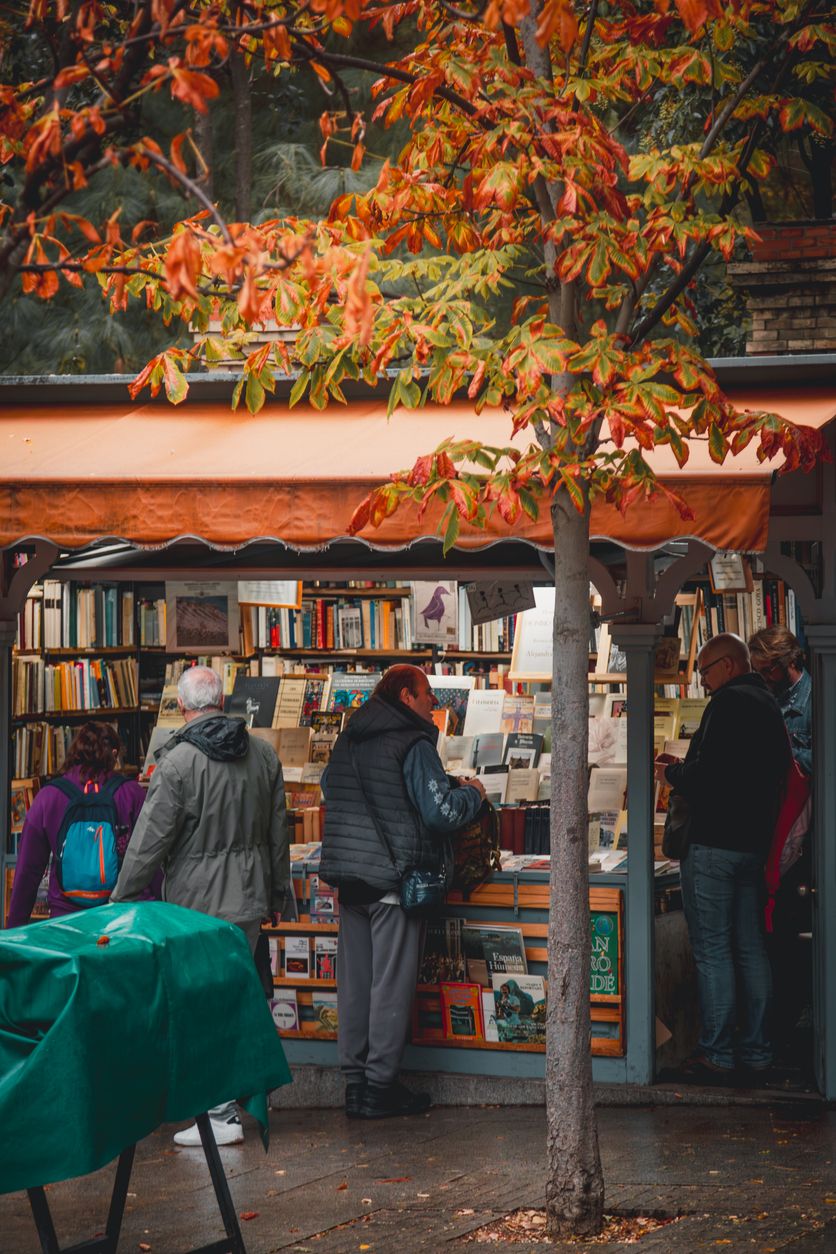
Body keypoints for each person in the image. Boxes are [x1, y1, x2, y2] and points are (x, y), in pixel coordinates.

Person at [111, 666, 290, 1146]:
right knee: (234, 1000)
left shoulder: (178, 764)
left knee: (202, 1006)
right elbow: (279, 834)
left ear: (181, 707)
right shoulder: (263, 755)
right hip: (247, 898)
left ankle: (219, 1113)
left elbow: (148, 844)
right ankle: (233, 1102)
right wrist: (277, 894)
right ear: (222, 701)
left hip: (195, 904)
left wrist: (120, 900)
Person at [320, 664, 486, 1120]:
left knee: (355, 986)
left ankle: (355, 1085)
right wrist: (473, 794)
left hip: (351, 879)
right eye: (427, 692)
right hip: (393, 880)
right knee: (390, 987)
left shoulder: (349, 739)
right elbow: (439, 813)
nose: (434, 701)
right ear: (405, 696)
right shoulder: (414, 742)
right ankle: (380, 1087)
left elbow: (332, 789)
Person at [654, 633, 791, 1084]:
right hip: (753, 845)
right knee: (750, 948)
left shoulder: (727, 704)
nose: (702, 681)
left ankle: (717, 1054)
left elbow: (709, 776)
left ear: (728, 665)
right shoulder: (768, 704)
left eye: (705, 671)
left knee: (713, 949)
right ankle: (757, 1050)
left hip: (713, 844)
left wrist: (672, 773)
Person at [748, 626, 814, 1069]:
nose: (764, 678)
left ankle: (793, 1024)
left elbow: (814, 763)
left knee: (791, 931)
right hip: (775, 825)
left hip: (804, 829)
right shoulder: (770, 698)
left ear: (787, 662)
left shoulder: (812, 700)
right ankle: (781, 1026)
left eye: (767, 669)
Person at [6, 722, 147, 928]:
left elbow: (28, 871)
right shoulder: (131, 793)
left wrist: (14, 930)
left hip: (65, 921)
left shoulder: (48, 796)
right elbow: (149, 860)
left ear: (75, 752)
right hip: (120, 919)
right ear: (114, 754)